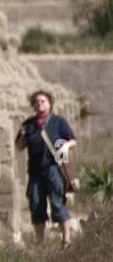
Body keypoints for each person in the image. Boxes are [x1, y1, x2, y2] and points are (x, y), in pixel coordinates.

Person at [15, 90, 78, 246]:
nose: (39, 104)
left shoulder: (58, 121)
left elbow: (72, 140)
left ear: (49, 103)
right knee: (36, 204)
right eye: (36, 102)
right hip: (35, 170)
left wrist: (65, 146)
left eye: (43, 101)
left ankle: (66, 239)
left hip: (53, 168)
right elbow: (19, 147)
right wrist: (22, 136)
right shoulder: (28, 124)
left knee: (57, 202)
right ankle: (40, 241)